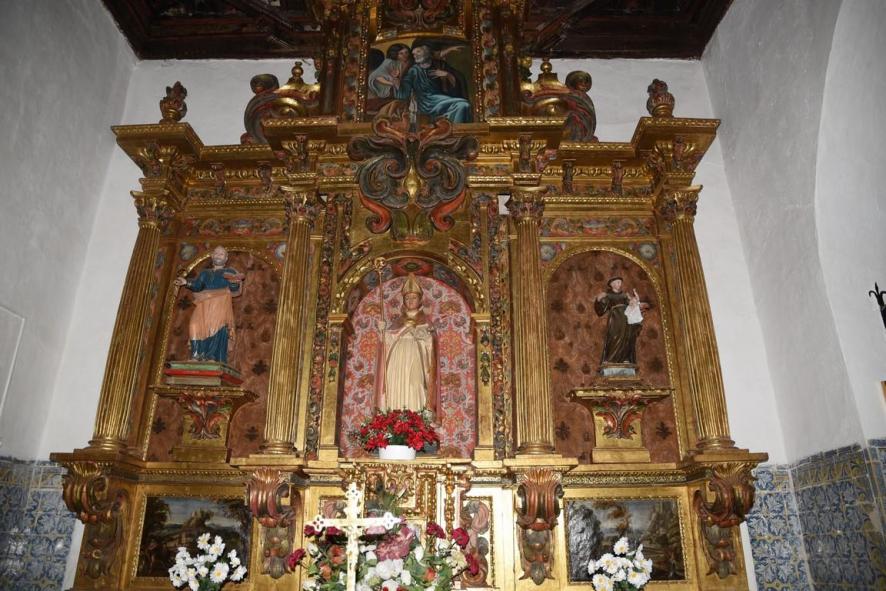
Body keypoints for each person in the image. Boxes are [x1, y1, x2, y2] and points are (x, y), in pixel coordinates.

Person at [374, 274, 438, 415]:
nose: (410, 301)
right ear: (403, 301)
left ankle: (417, 417)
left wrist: (417, 331)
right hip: (397, 358)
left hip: (416, 356)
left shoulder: (426, 321)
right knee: (396, 383)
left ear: (420, 300)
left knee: (415, 384)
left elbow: (431, 344)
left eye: (414, 298)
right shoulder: (397, 322)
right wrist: (382, 331)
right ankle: (394, 417)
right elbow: (387, 342)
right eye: (407, 298)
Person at [174, 245, 245, 364]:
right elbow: (198, 286)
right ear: (212, 256)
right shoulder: (205, 273)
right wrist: (186, 282)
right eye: (216, 253)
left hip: (220, 303)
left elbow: (234, 289)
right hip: (203, 302)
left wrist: (234, 282)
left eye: (221, 254)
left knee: (216, 328)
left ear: (226, 258)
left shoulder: (230, 271)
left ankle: (213, 356)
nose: (218, 256)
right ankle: (196, 355)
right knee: (195, 325)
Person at [392, 41, 472, 123]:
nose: (415, 55)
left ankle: (450, 126)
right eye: (414, 54)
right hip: (426, 103)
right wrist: (396, 79)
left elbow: (458, 82)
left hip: (439, 99)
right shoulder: (414, 70)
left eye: (418, 52)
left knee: (463, 105)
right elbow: (404, 93)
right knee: (463, 105)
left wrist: (447, 75)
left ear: (427, 51)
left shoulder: (440, 65)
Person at [593, 277, 647, 373]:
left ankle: (624, 358)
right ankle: (611, 359)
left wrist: (636, 301)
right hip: (615, 319)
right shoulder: (608, 295)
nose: (619, 284)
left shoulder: (625, 295)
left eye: (620, 282)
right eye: (617, 282)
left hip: (625, 320)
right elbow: (600, 309)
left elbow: (633, 304)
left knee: (626, 338)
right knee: (614, 337)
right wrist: (598, 299)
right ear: (612, 284)